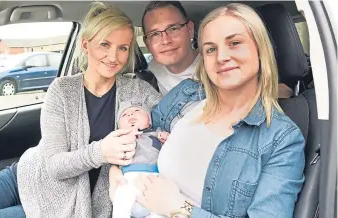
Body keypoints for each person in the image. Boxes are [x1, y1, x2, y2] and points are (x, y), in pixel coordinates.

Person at [0, 2, 161, 218]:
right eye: (105, 44)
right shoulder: (62, 90)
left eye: (122, 48)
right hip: (25, 176)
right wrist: (101, 152)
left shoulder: (138, 91)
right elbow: (54, 165)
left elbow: (180, 120)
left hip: (61, 206)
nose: (114, 57)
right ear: (85, 45)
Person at [111, 3, 305, 218]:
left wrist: (180, 208)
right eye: (211, 49)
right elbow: (143, 135)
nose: (222, 57)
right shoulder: (185, 94)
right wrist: (115, 170)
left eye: (234, 43)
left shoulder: (281, 139)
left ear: (260, 49)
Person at [112, 101, 169, 218]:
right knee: (122, 197)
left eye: (137, 111)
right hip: (129, 177)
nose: (131, 115)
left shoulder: (156, 132)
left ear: (149, 120)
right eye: (125, 115)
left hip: (154, 176)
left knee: (160, 209)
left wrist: (166, 138)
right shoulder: (119, 137)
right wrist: (129, 135)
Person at [142, 1, 200, 95]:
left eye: (173, 29)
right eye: (155, 34)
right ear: (147, 44)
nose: (165, 40)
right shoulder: (151, 74)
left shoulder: (214, 67)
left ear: (190, 29)